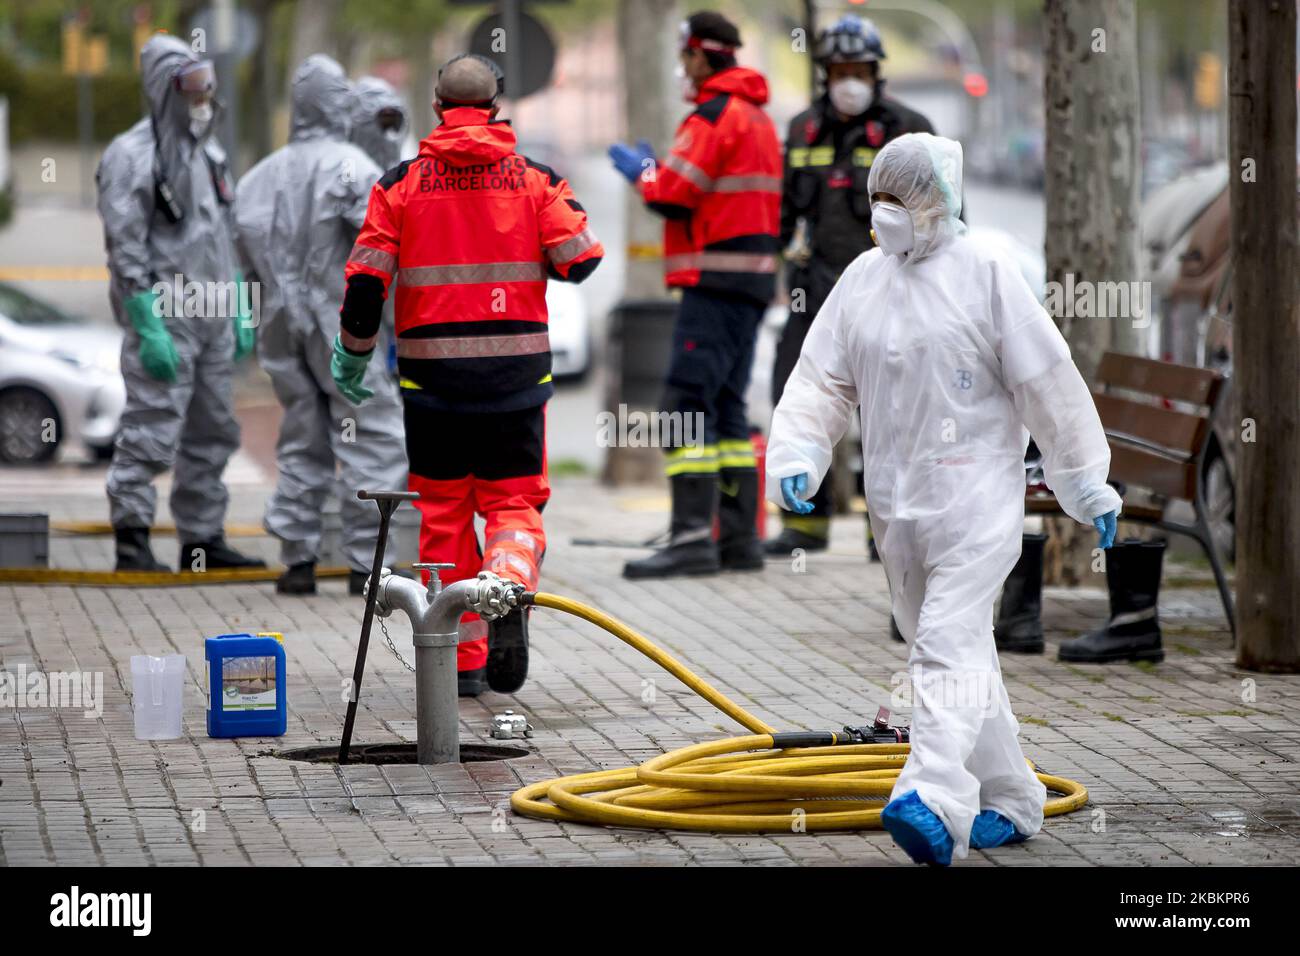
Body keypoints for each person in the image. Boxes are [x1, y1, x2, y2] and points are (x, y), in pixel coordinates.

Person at [766, 133, 1122, 865]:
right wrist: (801, 450)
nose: (887, 211)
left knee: (944, 644)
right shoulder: (865, 278)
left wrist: (1085, 479)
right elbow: (820, 379)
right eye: (880, 196)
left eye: (903, 196)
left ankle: (931, 796)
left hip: (975, 501)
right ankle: (1014, 798)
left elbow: (1048, 384)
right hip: (896, 509)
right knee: (953, 649)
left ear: (939, 200)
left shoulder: (986, 271)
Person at [333, 54, 603, 696]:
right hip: (514, 383)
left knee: (445, 515)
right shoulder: (533, 179)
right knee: (513, 504)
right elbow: (580, 262)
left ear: (436, 107)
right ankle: (508, 587)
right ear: (495, 106)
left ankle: (461, 663)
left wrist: (354, 352)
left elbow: (366, 282)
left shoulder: (399, 184)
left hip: (432, 389)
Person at [609, 11, 781, 579]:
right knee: (727, 406)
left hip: (713, 284)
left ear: (703, 56)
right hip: (751, 283)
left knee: (683, 407)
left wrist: (642, 172)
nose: (683, 67)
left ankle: (689, 540)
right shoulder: (757, 118)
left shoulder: (713, 116)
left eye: (686, 56)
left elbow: (675, 194)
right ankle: (737, 540)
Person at [234, 55, 408, 596]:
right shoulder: (355, 166)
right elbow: (382, 249)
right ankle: (367, 566)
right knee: (370, 439)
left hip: (281, 331)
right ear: (339, 103)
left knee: (301, 438)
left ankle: (298, 561)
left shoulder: (260, 175)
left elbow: (240, 261)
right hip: (345, 331)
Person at [767, 14, 935, 558]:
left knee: (890, 412)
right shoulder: (801, 130)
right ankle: (805, 526)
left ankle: (881, 531)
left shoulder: (909, 128)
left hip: (892, 289)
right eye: (839, 69)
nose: (849, 79)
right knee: (799, 394)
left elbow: (945, 214)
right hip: (814, 290)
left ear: (875, 71)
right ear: (825, 73)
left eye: (858, 68)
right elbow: (783, 213)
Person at [96, 33, 264, 574]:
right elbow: (126, 247)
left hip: (212, 315)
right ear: (162, 88)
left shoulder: (208, 153)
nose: (202, 97)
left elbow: (225, 236)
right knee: (151, 425)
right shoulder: (131, 156)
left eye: (207, 85)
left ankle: (202, 541)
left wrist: (239, 303)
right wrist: (146, 322)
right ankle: (132, 538)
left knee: (213, 430)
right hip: (165, 315)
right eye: (191, 87)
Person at [349, 75, 409, 172]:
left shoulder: (407, 166)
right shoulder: (347, 167)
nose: (388, 133)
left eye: (392, 118)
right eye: (383, 117)